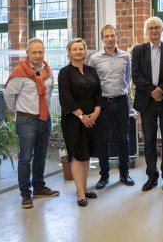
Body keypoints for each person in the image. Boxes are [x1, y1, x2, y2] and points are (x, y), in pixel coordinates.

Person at [4, 38, 59, 209]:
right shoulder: (20, 72)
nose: (37, 55)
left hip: (44, 119)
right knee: (26, 158)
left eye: (40, 52)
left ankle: (39, 186)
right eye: (34, 52)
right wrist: (19, 111)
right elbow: (8, 96)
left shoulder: (48, 72)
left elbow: (48, 95)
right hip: (26, 120)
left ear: (44, 53)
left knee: (41, 156)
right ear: (27, 53)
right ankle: (26, 194)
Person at [131, 17, 163, 192]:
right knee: (149, 141)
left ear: (162, 30)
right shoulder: (138, 50)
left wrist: (161, 90)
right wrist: (153, 90)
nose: (154, 30)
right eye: (150, 28)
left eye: (157, 27)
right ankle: (152, 176)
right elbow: (136, 75)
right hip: (147, 102)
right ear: (146, 31)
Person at [88, 24, 134, 190]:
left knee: (124, 139)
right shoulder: (94, 59)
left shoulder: (125, 56)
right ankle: (104, 176)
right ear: (102, 39)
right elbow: (92, 82)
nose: (109, 39)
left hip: (122, 102)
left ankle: (124, 174)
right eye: (106, 36)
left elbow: (127, 77)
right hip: (104, 104)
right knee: (103, 141)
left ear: (117, 37)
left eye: (112, 35)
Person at [58, 38, 102, 207]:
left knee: (86, 154)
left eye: (81, 49)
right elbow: (66, 98)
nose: (78, 52)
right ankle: (80, 192)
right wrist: (82, 116)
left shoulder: (91, 71)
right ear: (69, 52)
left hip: (92, 118)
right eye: (74, 49)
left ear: (85, 51)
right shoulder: (65, 72)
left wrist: (96, 112)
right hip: (73, 120)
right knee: (77, 155)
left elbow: (99, 93)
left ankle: (84, 187)